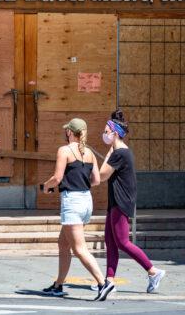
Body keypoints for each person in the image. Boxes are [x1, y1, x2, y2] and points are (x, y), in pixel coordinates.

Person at [41, 118, 115, 301]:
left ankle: (103, 283)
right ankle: (58, 285)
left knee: (79, 248)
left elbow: (57, 178)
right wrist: (81, 184)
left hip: (72, 201)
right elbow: (96, 180)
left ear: (69, 132)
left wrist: (45, 185)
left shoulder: (64, 150)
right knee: (63, 243)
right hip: (85, 200)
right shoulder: (89, 152)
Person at [99, 109, 166, 293]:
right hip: (115, 201)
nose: (104, 134)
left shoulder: (119, 152)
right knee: (110, 242)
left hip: (121, 202)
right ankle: (109, 281)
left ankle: (153, 271)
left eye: (106, 131)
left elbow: (103, 175)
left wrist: (107, 154)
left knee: (122, 242)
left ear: (114, 134)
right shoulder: (118, 152)